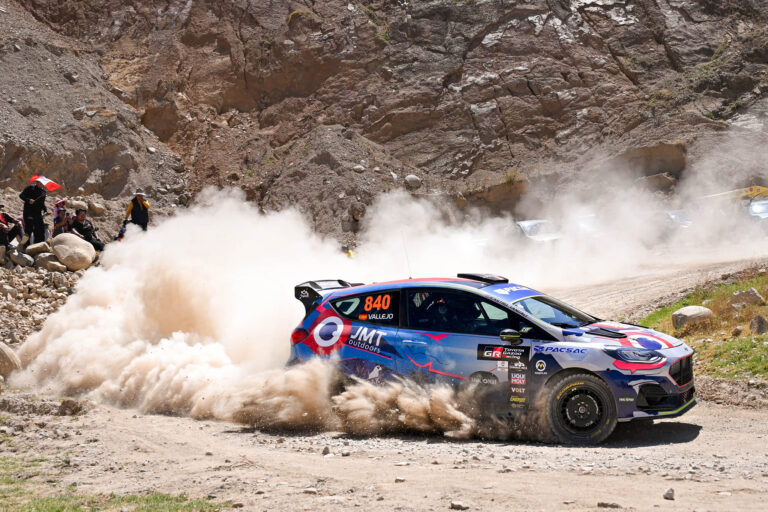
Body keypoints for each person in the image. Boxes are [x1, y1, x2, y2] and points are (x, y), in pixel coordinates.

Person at [19, 178, 47, 246]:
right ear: (37, 182)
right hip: (28, 211)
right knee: (29, 227)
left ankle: (38, 246)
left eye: (43, 183)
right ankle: (25, 246)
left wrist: (45, 210)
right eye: (41, 182)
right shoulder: (30, 187)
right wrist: (28, 200)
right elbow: (21, 195)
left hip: (38, 213)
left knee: (40, 229)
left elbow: (42, 203)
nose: (42, 184)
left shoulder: (43, 192)